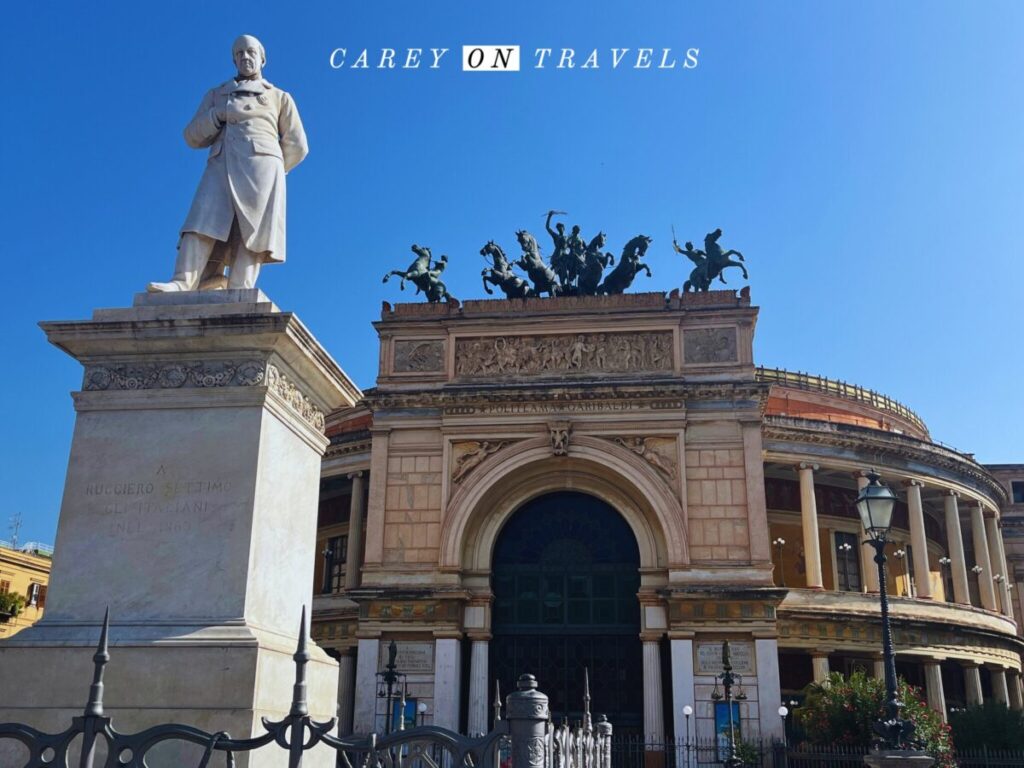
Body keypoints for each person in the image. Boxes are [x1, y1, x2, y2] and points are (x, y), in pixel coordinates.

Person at [147, 35, 308, 292]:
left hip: (263, 167)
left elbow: (298, 145)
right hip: (221, 163)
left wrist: (277, 169)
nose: (245, 57)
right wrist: (216, 115)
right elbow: (191, 136)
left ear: (262, 58)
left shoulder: (278, 97)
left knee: (252, 231)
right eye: (239, 53)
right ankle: (182, 282)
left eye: (251, 52)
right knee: (201, 222)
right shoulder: (216, 94)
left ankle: (240, 288)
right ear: (234, 59)